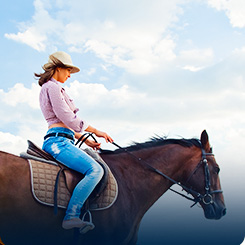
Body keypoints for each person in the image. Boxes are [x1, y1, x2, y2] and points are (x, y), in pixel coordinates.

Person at [35, 51, 113, 231]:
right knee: (95, 170)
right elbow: (67, 117)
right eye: (68, 71)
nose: (69, 75)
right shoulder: (53, 88)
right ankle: (71, 216)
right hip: (59, 142)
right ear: (58, 68)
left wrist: (85, 140)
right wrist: (96, 131)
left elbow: (62, 123)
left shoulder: (52, 88)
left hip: (63, 139)